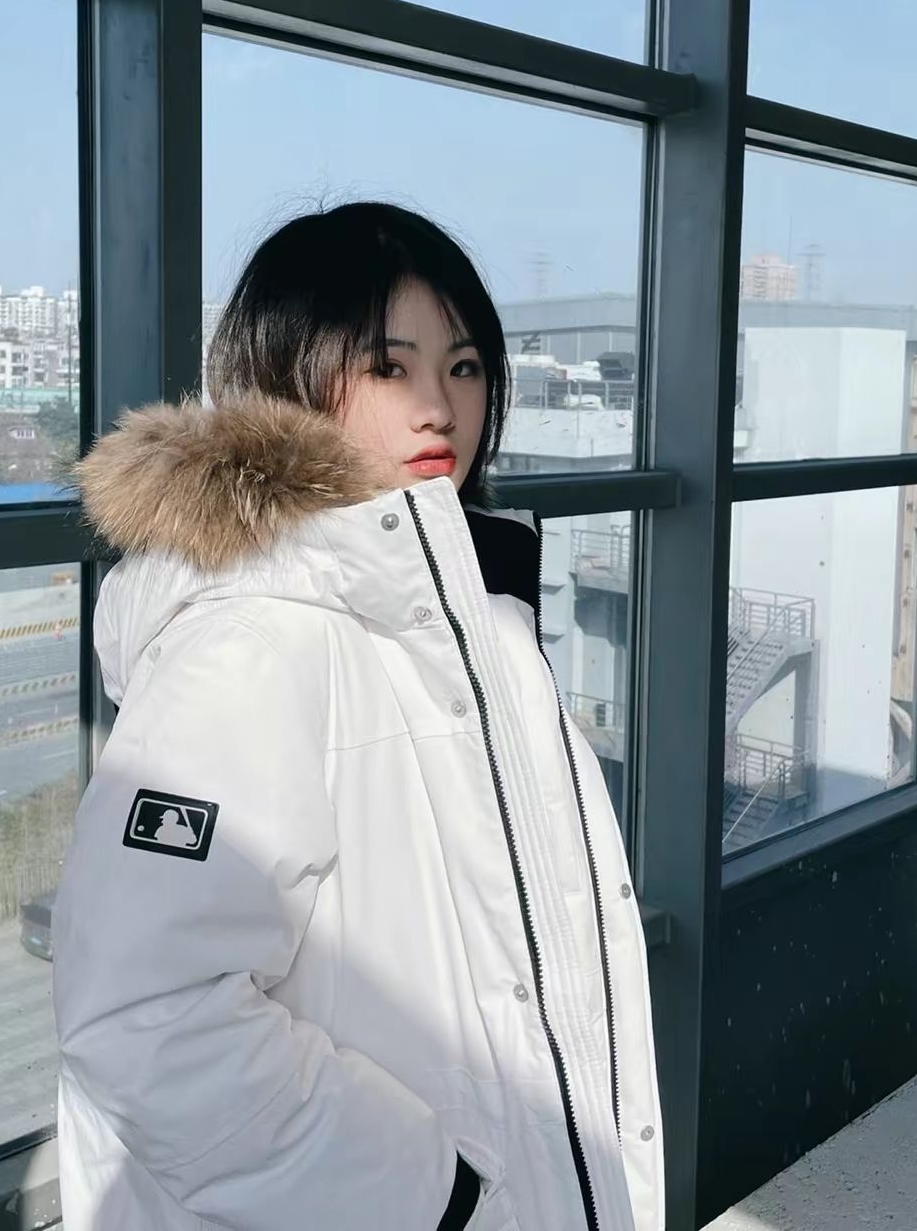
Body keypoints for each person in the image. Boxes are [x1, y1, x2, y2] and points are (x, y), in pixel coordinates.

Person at [52, 202, 663, 1231]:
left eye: (464, 367)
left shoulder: (468, 624)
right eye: (388, 367)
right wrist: (437, 1197)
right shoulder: (252, 640)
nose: (440, 408)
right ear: (283, 378)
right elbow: (142, 1014)